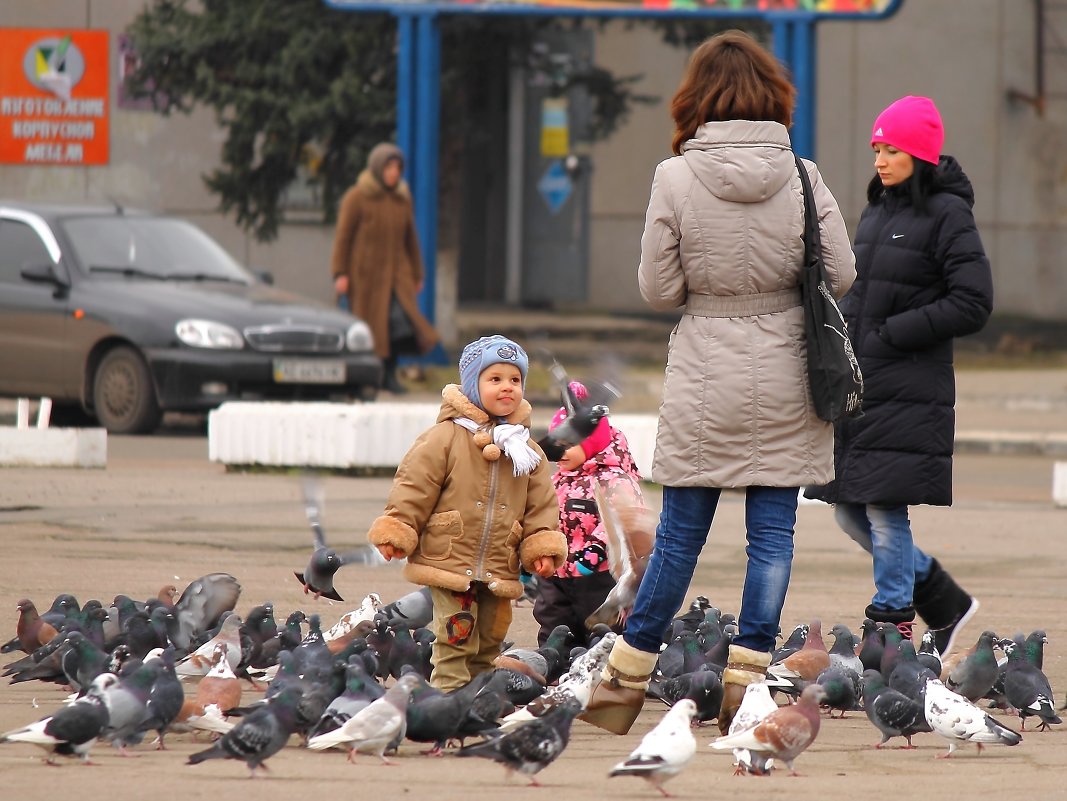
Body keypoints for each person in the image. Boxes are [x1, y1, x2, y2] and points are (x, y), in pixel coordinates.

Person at [580, 30, 856, 737]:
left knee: (678, 537)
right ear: (773, 96)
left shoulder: (673, 177)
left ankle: (622, 684)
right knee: (771, 533)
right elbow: (843, 274)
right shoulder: (802, 175)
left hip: (706, 368)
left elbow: (657, 286)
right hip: (789, 366)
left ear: (695, 98)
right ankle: (743, 687)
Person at [805, 96, 993, 655]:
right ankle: (944, 598)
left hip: (908, 387)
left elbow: (974, 302)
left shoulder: (948, 214)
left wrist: (892, 333)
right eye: (876, 149)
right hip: (864, 387)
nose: (881, 160)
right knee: (847, 511)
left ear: (920, 154)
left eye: (891, 150)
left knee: (885, 512)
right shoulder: (880, 210)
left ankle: (891, 625)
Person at [366, 334, 567, 691]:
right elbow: (414, 487)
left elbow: (541, 507)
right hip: (450, 559)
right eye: (495, 379)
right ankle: (446, 700)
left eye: (515, 380)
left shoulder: (524, 449)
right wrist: (399, 529)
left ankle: (477, 700)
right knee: (455, 634)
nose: (507, 388)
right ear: (473, 385)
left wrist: (541, 547)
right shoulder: (444, 438)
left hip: (500, 561)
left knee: (490, 637)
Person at [533, 381, 647, 648]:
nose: (557, 452)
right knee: (553, 621)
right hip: (557, 571)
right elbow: (542, 512)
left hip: (597, 573)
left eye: (566, 444)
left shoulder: (613, 478)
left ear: (591, 442)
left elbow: (622, 516)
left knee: (599, 626)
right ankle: (553, 662)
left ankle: (600, 666)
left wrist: (597, 547)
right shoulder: (557, 480)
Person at [330, 142, 440, 394]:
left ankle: (390, 374)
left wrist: (417, 273)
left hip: (397, 275)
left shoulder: (402, 198)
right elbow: (343, 237)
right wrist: (340, 273)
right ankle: (369, 377)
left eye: (397, 167)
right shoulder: (357, 196)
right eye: (389, 167)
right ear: (378, 168)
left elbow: (410, 238)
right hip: (366, 277)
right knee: (371, 328)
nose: (394, 172)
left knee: (399, 325)